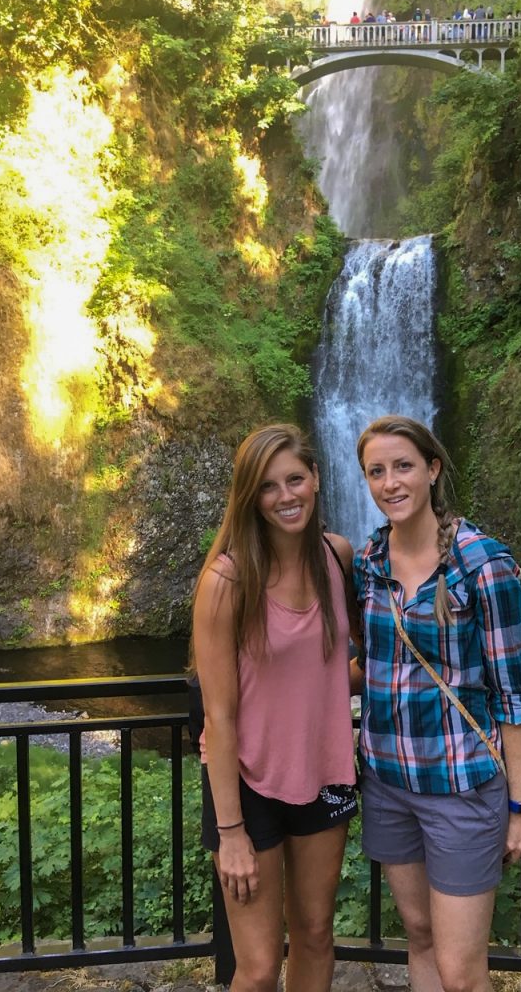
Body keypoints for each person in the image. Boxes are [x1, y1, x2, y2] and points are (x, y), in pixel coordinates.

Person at [350, 415, 521, 992]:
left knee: (460, 970)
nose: (391, 483)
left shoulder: (483, 564)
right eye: (376, 472)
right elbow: (370, 665)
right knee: (419, 933)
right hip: (386, 778)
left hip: (460, 785)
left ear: (432, 470)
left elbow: (511, 692)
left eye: (403, 466)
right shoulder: (368, 565)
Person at [192, 423, 358, 992]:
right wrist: (231, 831)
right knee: (259, 967)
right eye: (268, 486)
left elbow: (340, 665)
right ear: (250, 497)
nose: (286, 496)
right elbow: (220, 715)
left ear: (315, 479)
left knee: (314, 933)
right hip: (249, 788)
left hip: (326, 775)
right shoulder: (227, 580)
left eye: (295, 479)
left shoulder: (337, 558)